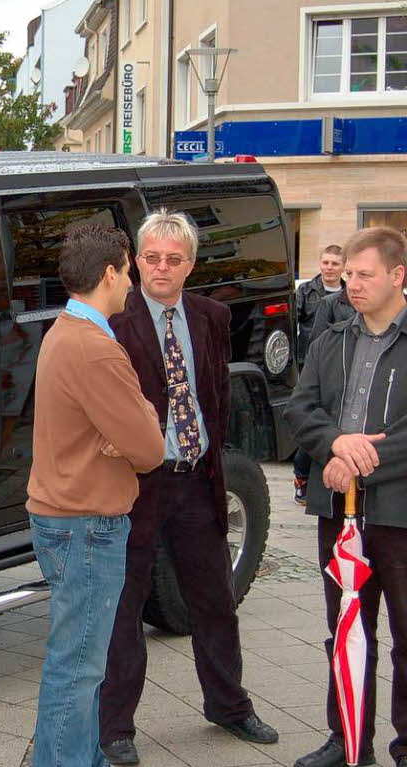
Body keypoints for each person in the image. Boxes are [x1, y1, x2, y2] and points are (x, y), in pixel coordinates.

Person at [99, 210, 279, 765]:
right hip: (137, 485)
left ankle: (229, 705)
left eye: (173, 260)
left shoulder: (211, 316)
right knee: (125, 609)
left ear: (190, 265)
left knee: (215, 600)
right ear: (136, 260)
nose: (161, 268)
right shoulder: (115, 320)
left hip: (197, 481)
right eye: (151, 257)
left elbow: (215, 396)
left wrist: (212, 457)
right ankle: (116, 728)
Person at [27, 224, 164, 767]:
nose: (132, 282)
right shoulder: (95, 348)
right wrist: (136, 426)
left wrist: (126, 432)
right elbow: (151, 449)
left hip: (67, 519)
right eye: (129, 270)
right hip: (87, 524)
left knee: (79, 661)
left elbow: (130, 435)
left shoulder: (67, 330)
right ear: (109, 272)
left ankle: (84, 758)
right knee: (79, 666)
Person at [284, 226, 407, 767]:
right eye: (349, 274)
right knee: (344, 628)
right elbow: (300, 407)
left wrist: (355, 460)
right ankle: (347, 739)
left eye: (365, 275)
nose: (352, 285)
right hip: (339, 513)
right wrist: (335, 442)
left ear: (398, 276)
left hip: (400, 514)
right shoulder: (331, 337)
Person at [293, 245, 347, 504]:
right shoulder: (307, 291)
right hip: (311, 363)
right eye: (325, 262)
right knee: (312, 420)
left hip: (344, 368)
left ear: (342, 266)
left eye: (335, 264)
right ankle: (302, 474)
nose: (329, 268)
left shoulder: (351, 295)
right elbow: (300, 328)